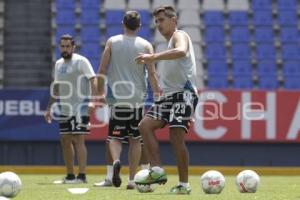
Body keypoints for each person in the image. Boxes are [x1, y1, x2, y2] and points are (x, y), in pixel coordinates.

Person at [135, 6, 199, 194]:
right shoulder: (166, 46)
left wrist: (152, 57)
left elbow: (181, 51)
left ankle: (184, 185)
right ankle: (156, 170)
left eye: (162, 20)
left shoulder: (180, 36)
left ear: (174, 20)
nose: (158, 24)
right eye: (156, 21)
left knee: (175, 137)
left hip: (184, 94)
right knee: (144, 126)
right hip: (169, 96)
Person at [94, 11, 160, 189]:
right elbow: (152, 73)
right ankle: (132, 180)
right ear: (139, 26)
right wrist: (157, 93)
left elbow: (102, 68)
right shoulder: (146, 45)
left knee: (114, 137)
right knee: (135, 139)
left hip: (116, 97)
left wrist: (99, 91)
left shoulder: (112, 42)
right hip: (137, 98)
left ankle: (116, 161)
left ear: (123, 23)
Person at [44, 34, 98, 184]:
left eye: (68, 46)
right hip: (65, 109)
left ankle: (82, 176)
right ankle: (70, 176)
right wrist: (49, 107)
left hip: (81, 107)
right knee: (65, 140)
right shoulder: (58, 64)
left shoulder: (81, 61)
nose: (65, 49)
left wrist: (93, 102)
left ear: (73, 47)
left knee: (78, 139)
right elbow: (56, 87)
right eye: (63, 46)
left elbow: (93, 80)